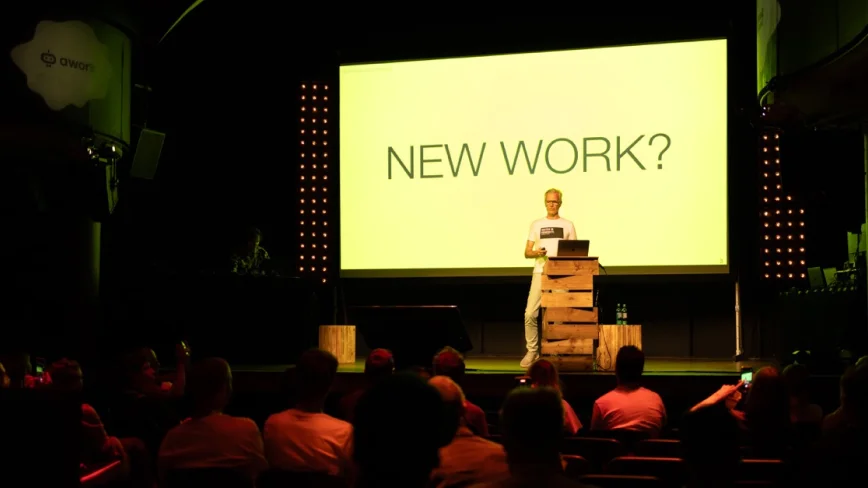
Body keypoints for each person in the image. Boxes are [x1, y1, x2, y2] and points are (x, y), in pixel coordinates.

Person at [521, 189, 576, 368]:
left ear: (560, 203)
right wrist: (536, 252)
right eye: (549, 201)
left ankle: (555, 350)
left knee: (559, 315)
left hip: (561, 273)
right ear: (545, 203)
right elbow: (527, 252)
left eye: (555, 201)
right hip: (540, 271)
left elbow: (575, 251)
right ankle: (532, 351)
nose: (552, 204)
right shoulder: (536, 224)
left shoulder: (568, 225)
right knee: (530, 313)